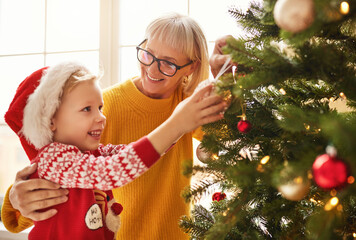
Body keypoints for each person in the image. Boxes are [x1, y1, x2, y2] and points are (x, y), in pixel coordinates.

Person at [1, 13, 231, 239]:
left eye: (168, 64)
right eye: (148, 55)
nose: (152, 69)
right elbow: (57, 173)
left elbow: (225, 140)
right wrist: (16, 201)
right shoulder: (99, 111)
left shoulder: (186, 106)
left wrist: (224, 83)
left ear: (191, 67)